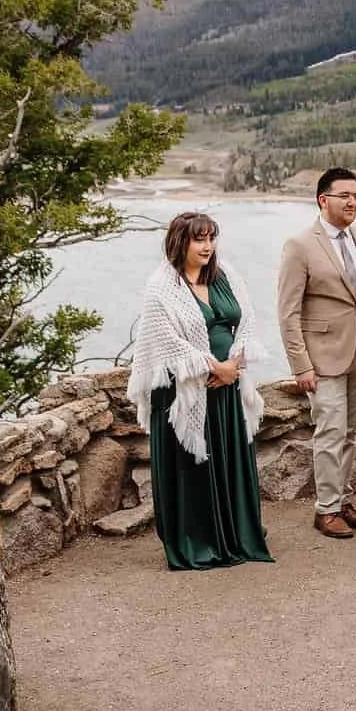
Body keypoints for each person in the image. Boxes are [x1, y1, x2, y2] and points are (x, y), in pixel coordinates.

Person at [128, 211, 273, 571]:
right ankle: (198, 542)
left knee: (229, 461)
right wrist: (213, 366)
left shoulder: (225, 276)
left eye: (212, 238)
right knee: (193, 468)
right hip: (184, 394)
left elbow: (247, 322)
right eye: (200, 239)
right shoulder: (161, 288)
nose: (208, 246)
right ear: (181, 242)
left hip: (226, 388)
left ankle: (235, 535)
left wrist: (234, 367)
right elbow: (164, 343)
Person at [278, 167, 356, 540]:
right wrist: (300, 364)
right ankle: (326, 509)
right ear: (324, 200)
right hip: (322, 357)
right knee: (331, 430)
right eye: (345, 196)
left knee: (351, 432)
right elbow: (288, 311)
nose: (353, 202)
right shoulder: (300, 244)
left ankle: (343, 499)